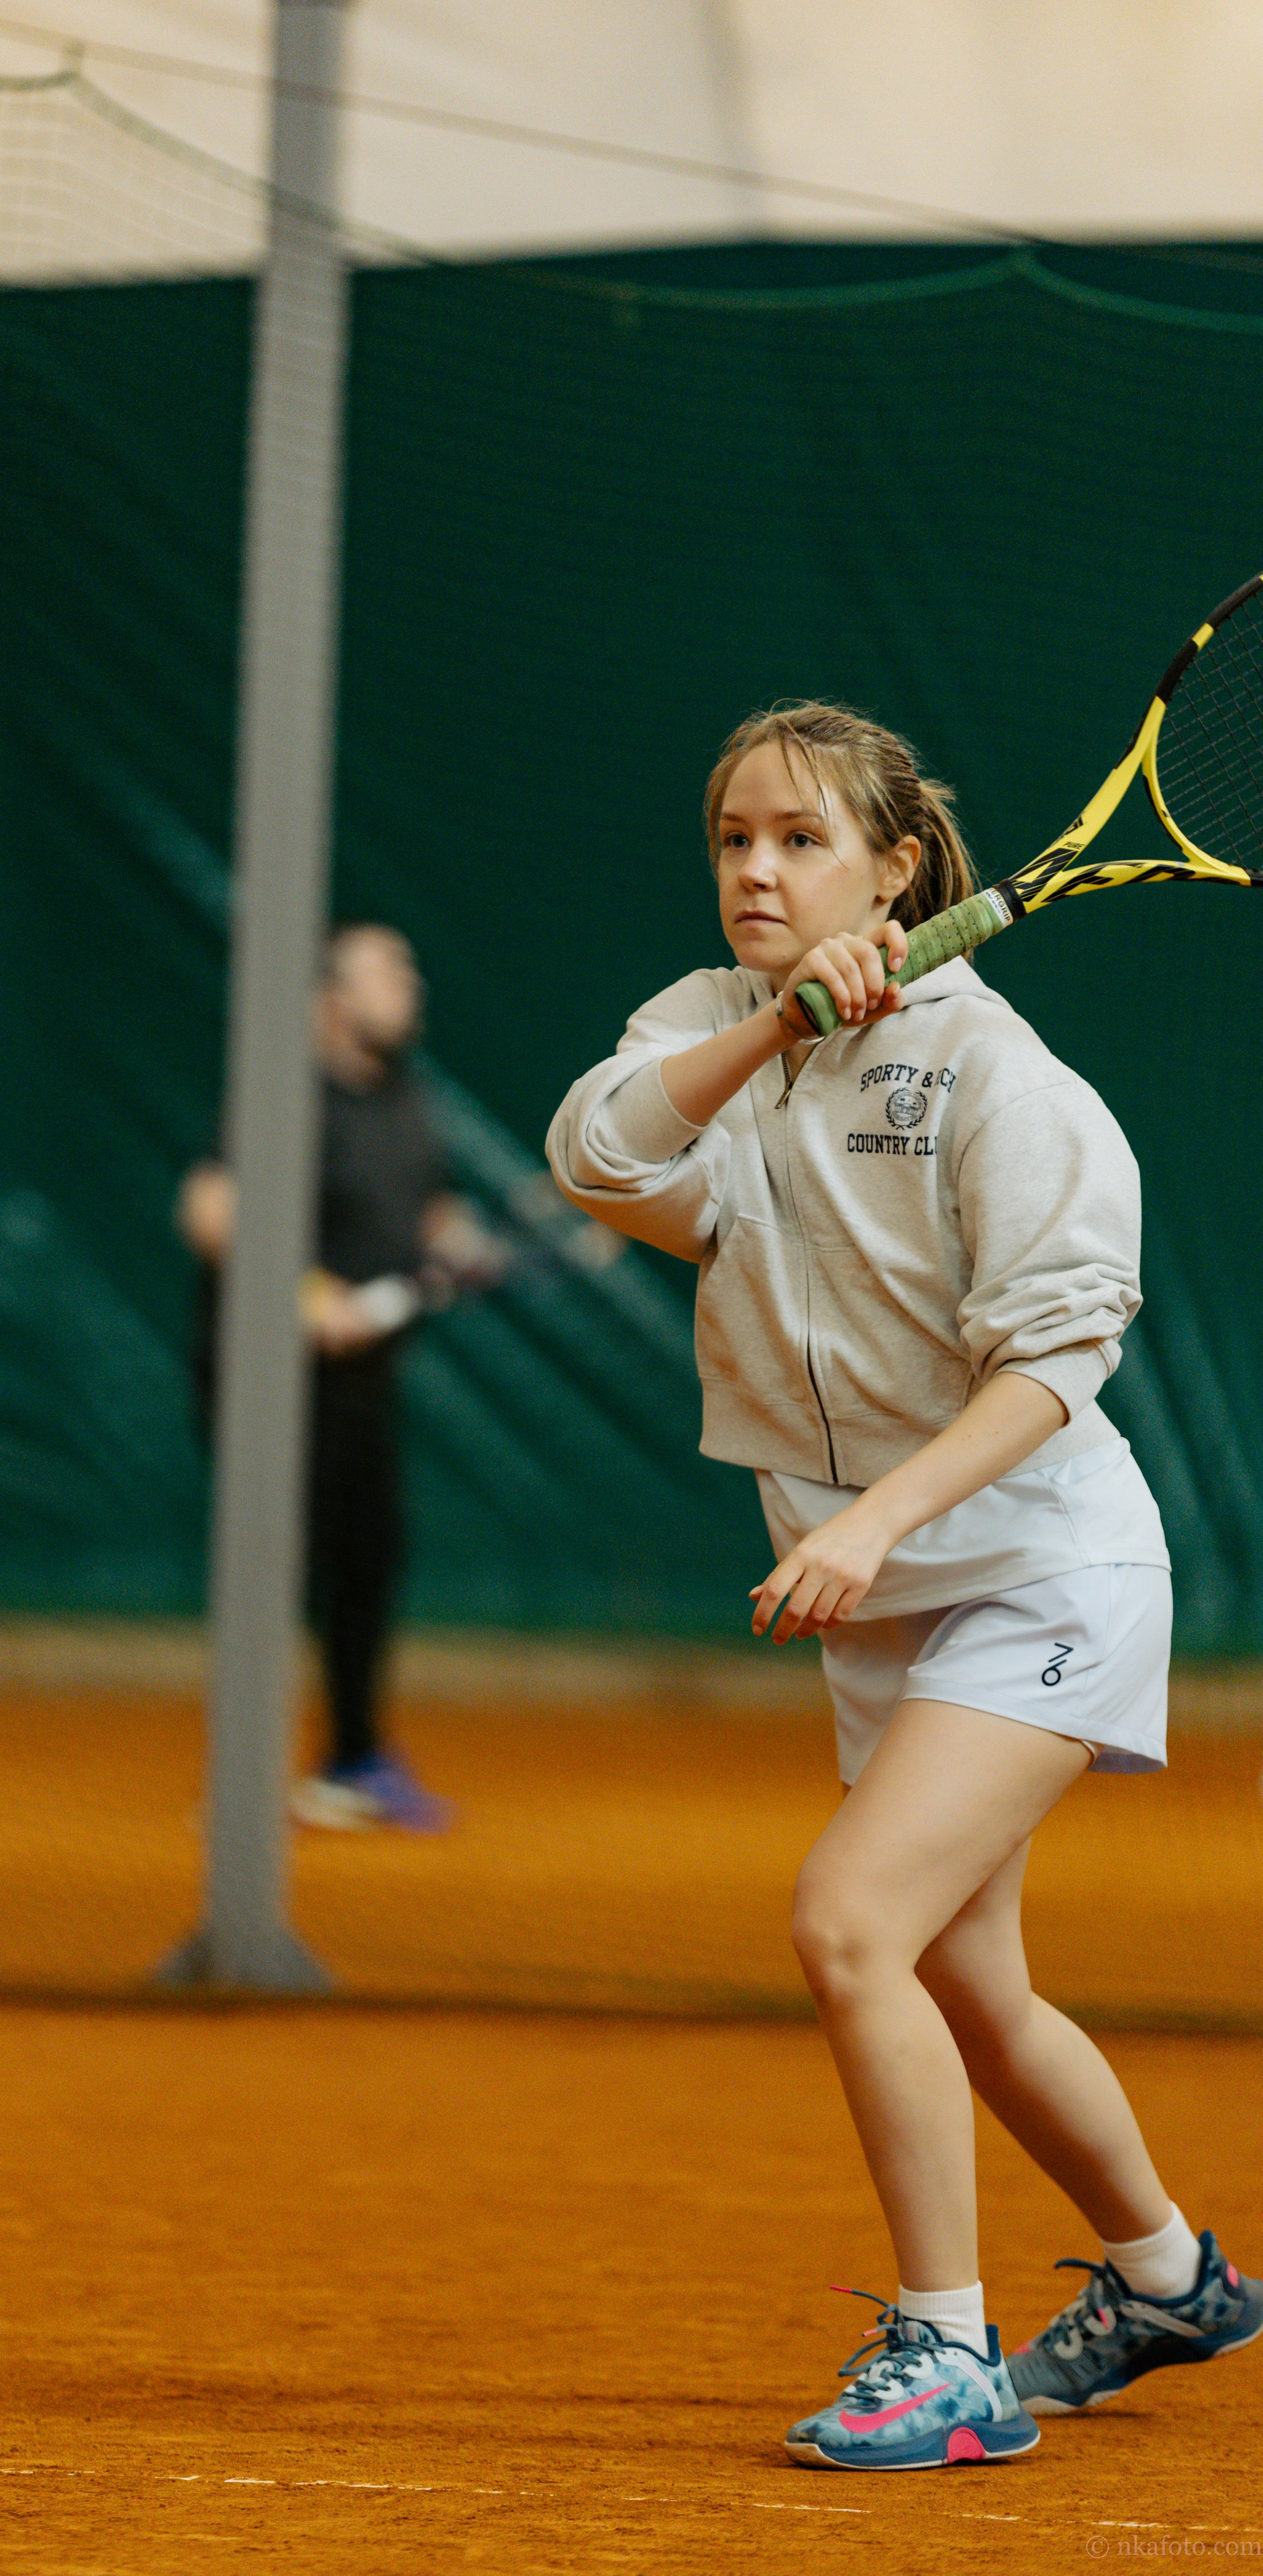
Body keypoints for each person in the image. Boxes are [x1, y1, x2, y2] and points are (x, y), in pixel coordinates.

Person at [546, 702, 1262, 2472]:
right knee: (969, 1984)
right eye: (734, 840)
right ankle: (1170, 2279)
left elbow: (1058, 1358)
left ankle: (945, 2355)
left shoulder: (1004, 1081)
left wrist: (876, 1524)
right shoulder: (706, 1032)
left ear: (902, 869)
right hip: (878, 1601)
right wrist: (776, 1026)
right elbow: (599, 1158)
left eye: (801, 839)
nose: (758, 871)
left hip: (1039, 1570)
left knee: (849, 1924)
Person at [180, 922, 499, 1832]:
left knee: (368, 1558)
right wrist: (306, 1297)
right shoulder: (284, 1098)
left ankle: (352, 1762)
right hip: (263, 1382)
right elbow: (208, 1211)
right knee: (273, 1569)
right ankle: (245, 1780)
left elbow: (425, 1211)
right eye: (387, 971)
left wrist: (457, 1243)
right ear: (332, 999)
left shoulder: (404, 1099)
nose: (411, 984)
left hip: (362, 1386)